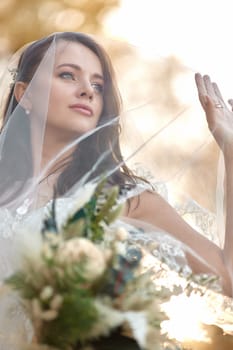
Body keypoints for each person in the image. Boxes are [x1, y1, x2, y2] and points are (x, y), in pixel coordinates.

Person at [0, 31, 232, 347]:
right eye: (68, 75)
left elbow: (227, 276)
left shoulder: (124, 199)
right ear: (24, 94)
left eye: (98, 85)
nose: (87, 91)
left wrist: (230, 149)